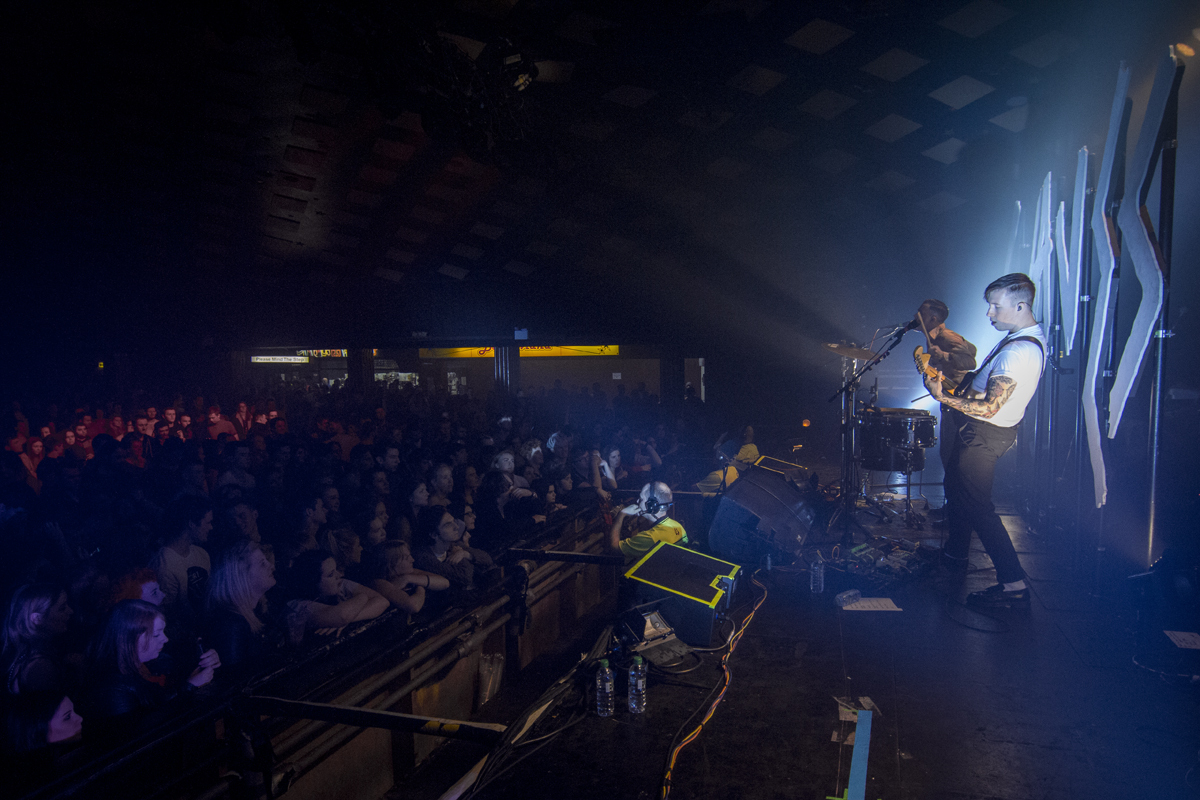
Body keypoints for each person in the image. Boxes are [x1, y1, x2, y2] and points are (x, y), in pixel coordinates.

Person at [922, 273, 1046, 607]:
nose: (989, 313)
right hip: (982, 432)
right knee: (959, 496)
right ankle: (955, 557)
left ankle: (1014, 585)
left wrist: (943, 397)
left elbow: (990, 408)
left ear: (1020, 305)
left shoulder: (1018, 352)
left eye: (995, 306)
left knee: (978, 508)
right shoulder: (1020, 337)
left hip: (984, 435)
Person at [86, 600, 220, 738]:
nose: (165, 639)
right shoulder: (112, 689)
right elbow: (141, 734)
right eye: (156, 634)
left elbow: (178, 675)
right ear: (129, 638)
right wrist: (189, 687)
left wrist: (205, 660)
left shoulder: (153, 661)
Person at [911, 298, 978, 473]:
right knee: (948, 452)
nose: (915, 316)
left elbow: (970, 361)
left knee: (951, 453)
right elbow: (972, 348)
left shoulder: (946, 337)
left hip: (958, 399)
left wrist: (944, 356)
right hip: (950, 397)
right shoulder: (934, 338)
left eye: (921, 313)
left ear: (933, 319)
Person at [205, 541, 277, 676]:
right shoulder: (231, 626)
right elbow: (236, 681)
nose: (272, 566)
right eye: (262, 564)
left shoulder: (261, 609)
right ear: (242, 576)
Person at [284, 550, 389, 639]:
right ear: (313, 583)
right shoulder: (298, 606)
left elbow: (382, 602)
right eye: (331, 574)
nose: (339, 575)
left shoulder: (339, 584)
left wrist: (350, 618)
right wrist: (363, 596)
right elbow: (342, 615)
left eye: (336, 570)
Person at [608, 481, 689, 564]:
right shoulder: (678, 526)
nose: (638, 501)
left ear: (651, 506)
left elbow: (614, 547)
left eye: (641, 499)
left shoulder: (650, 538)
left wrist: (621, 515)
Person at [362, 540, 449, 616]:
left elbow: (445, 582)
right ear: (392, 564)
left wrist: (408, 578)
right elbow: (413, 606)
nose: (412, 560)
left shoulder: (408, 573)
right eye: (407, 558)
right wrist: (421, 586)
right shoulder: (379, 584)